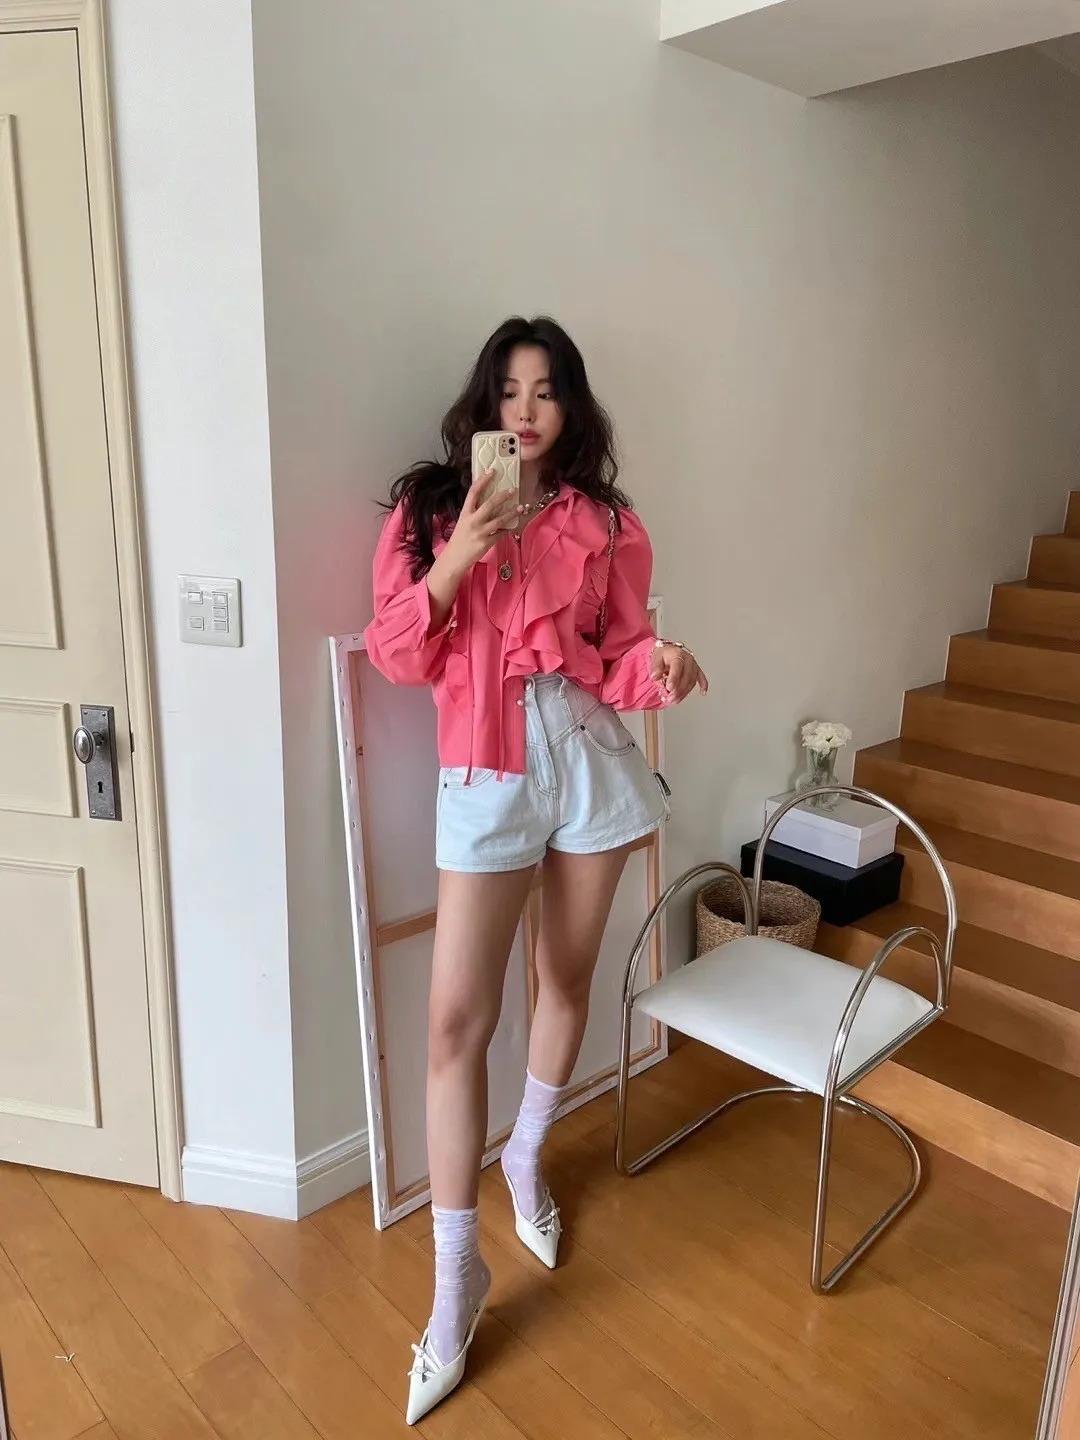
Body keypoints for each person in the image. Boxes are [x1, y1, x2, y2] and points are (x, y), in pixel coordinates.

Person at [365, 316, 707, 1424]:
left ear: (570, 406)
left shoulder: (605, 522)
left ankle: (526, 1157)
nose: (526, 409)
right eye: (509, 390)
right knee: (453, 1026)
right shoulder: (429, 509)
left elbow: (613, 657)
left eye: (547, 390)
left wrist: (663, 665)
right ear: (484, 401)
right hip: (487, 771)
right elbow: (399, 651)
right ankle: (454, 1278)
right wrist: (461, 550)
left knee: (565, 979)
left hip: (588, 763)